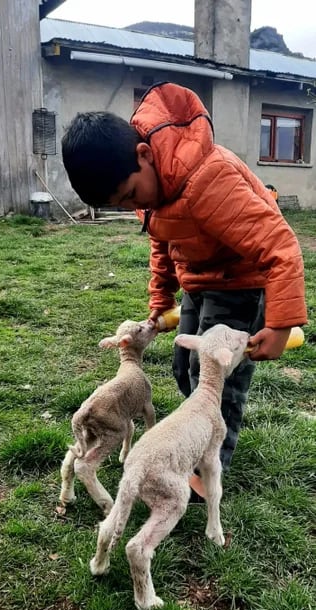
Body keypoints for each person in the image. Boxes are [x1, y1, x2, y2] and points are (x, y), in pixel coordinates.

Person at [61, 82, 307, 496]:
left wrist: (281, 325)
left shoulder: (208, 178)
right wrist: (162, 298)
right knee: (183, 367)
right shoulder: (150, 183)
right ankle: (199, 434)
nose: (131, 207)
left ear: (143, 155)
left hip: (241, 283)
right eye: (120, 206)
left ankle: (207, 474)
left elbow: (281, 247)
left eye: (129, 197)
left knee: (215, 379)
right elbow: (162, 239)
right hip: (200, 281)